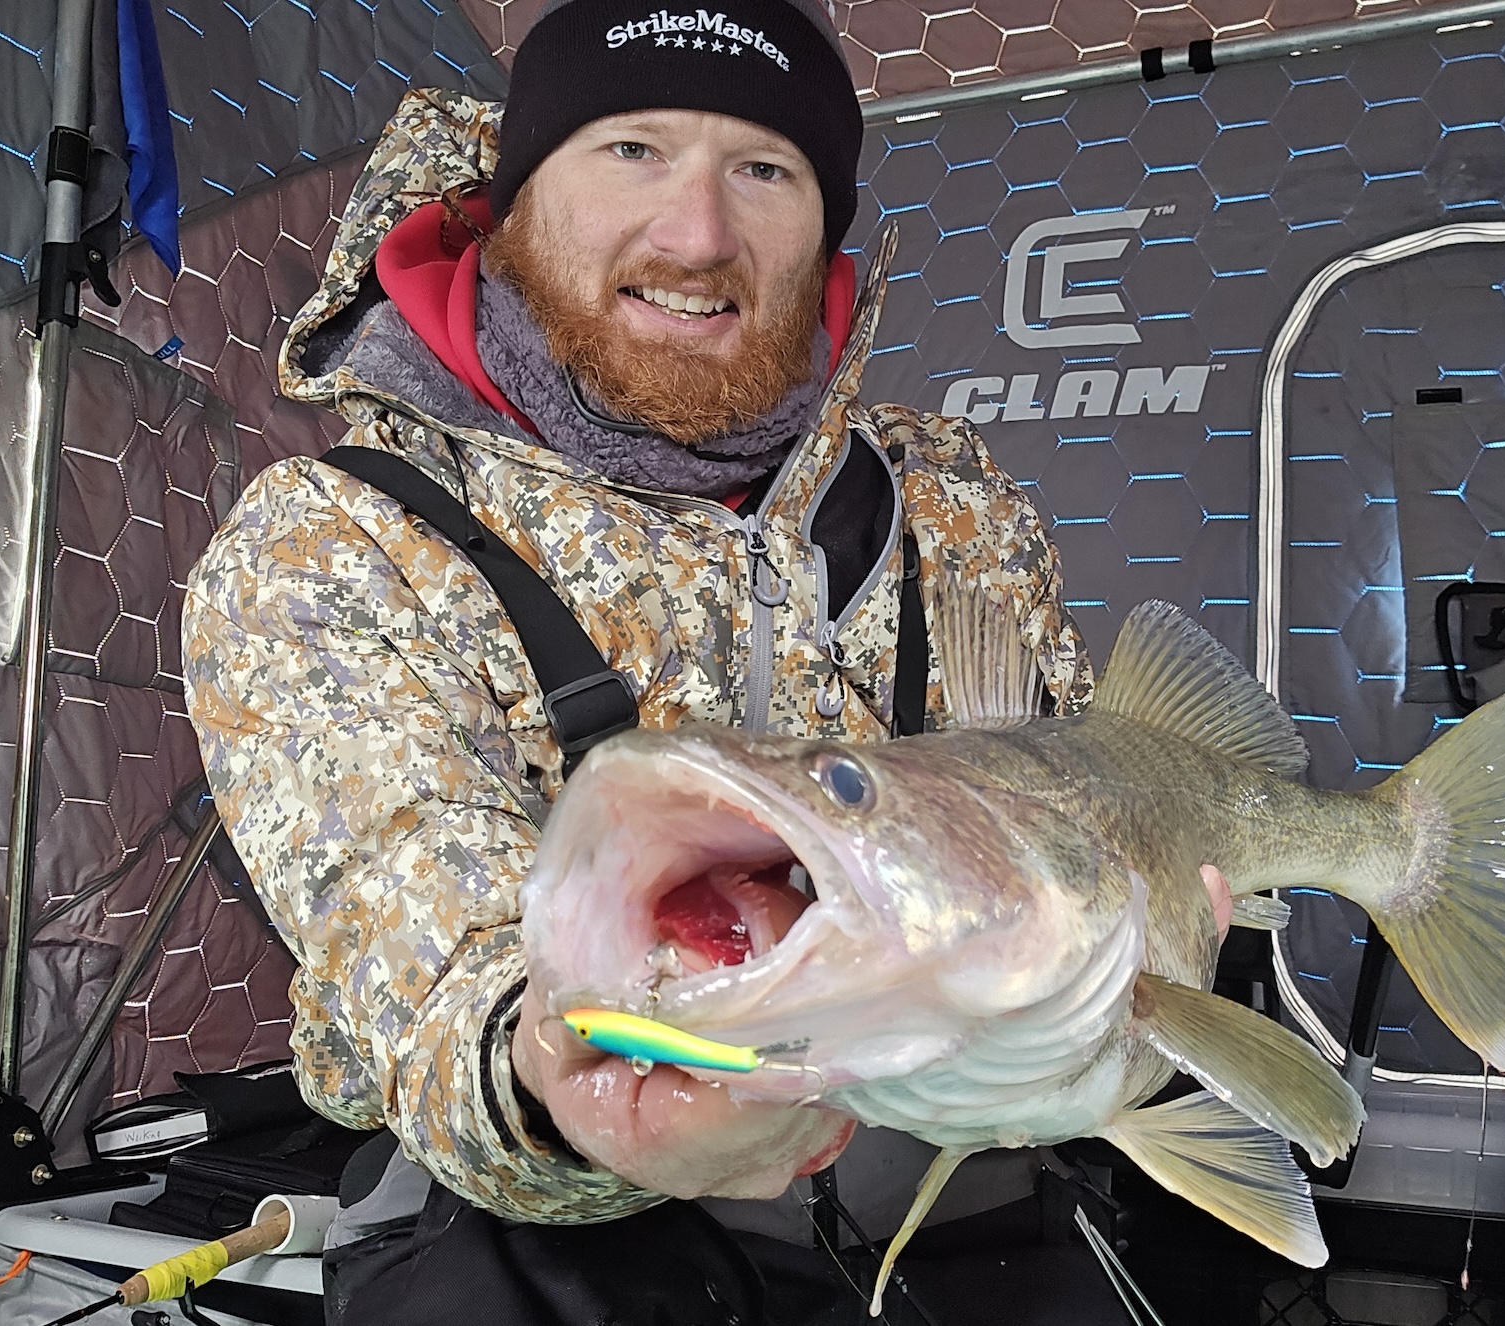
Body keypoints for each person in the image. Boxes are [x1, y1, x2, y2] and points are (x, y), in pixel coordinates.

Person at [181, 0, 1233, 1318]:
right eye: (630, 148)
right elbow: (427, 955)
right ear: (510, 200)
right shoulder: (330, 539)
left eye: (764, 168)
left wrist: (1158, 925)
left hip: (969, 1163)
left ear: (826, 224)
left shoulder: (948, 492)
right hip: (547, 1218)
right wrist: (558, 1083)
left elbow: (1083, 790)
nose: (697, 233)